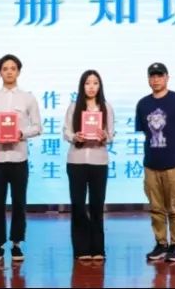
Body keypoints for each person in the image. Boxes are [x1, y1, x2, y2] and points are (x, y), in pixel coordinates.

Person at [0, 53, 42, 262]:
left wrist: (21, 133)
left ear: (18, 72)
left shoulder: (28, 98)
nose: (9, 72)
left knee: (19, 202)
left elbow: (37, 127)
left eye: (13, 68)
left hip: (19, 157)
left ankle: (16, 244)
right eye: (5, 69)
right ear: (0, 72)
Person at [135, 62, 175, 263]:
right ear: (148, 79)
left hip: (174, 165)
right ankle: (161, 244)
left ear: (167, 77)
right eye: (152, 76)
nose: (156, 79)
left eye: (160, 75)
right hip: (151, 164)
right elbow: (146, 132)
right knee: (156, 208)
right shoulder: (143, 104)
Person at [62, 70, 114, 260]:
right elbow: (66, 131)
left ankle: (97, 249)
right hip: (76, 161)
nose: (91, 87)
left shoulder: (106, 107)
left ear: (100, 86)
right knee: (78, 205)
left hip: (99, 161)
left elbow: (111, 134)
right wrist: (74, 136)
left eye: (95, 83)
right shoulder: (74, 107)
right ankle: (81, 249)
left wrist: (104, 136)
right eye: (87, 83)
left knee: (97, 205)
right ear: (82, 86)